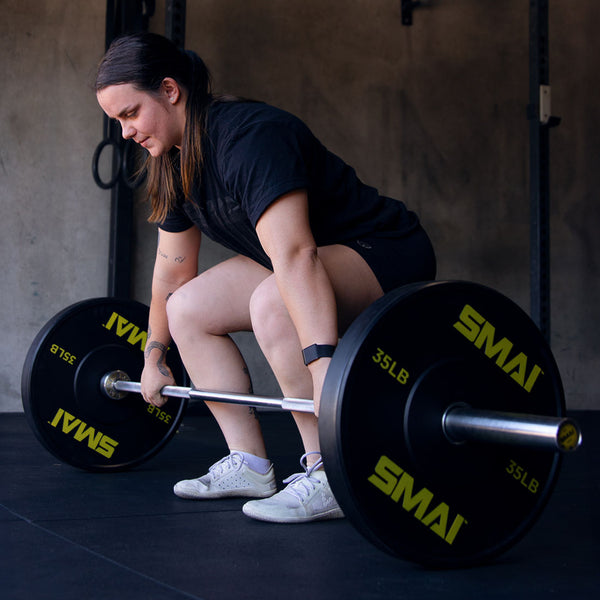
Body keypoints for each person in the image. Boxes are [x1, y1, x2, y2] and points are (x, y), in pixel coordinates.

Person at [95, 32, 436, 523]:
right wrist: (155, 354)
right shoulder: (172, 161)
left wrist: (324, 372)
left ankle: (330, 472)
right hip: (300, 258)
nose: (125, 132)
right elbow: (171, 274)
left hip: (385, 249)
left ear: (170, 90)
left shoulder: (250, 137)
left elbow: (297, 255)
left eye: (130, 114)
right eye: (117, 121)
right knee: (186, 308)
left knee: (274, 300)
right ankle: (250, 464)